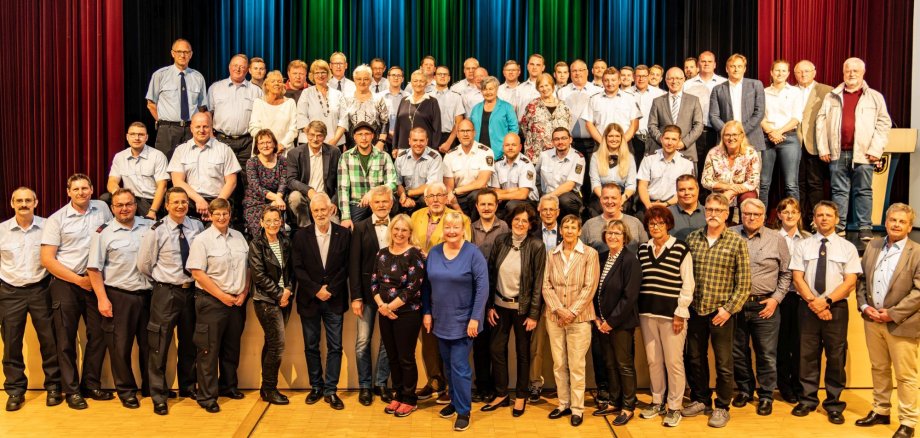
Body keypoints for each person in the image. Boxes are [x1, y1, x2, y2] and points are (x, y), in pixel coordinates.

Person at [40, 174, 114, 409]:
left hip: (96, 283)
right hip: (66, 283)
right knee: (65, 339)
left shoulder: (102, 208)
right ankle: (71, 390)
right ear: (68, 192)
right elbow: (47, 260)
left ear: (92, 189)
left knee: (98, 335)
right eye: (76, 189)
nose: (81, 192)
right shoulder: (56, 219)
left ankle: (90, 385)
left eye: (85, 188)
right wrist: (78, 281)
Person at [681, 193, 751, 428]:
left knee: (723, 361)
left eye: (718, 211)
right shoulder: (693, 239)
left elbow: (744, 283)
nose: (712, 214)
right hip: (696, 310)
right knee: (695, 358)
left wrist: (729, 310)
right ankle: (701, 399)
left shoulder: (737, 242)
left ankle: (722, 406)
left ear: (727, 214)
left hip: (722, 313)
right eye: (709, 210)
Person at [789, 200, 861, 424]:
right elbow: (797, 278)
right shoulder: (804, 245)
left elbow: (850, 281)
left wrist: (826, 301)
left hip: (836, 308)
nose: (824, 219)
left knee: (836, 357)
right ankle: (808, 400)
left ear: (836, 219)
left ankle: (834, 404)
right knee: (806, 355)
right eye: (819, 215)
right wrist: (814, 302)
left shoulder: (847, 247)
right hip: (808, 306)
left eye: (828, 215)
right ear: (814, 218)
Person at [137, 187, 204, 415]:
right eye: (175, 202)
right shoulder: (156, 230)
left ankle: (187, 387)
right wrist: (163, 283)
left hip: (191, 291)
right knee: (159, 344)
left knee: (189, 342)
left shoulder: (196, 226)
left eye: (184, 202)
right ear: (166, 205)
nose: (180, 206)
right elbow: (145, 265)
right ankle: (159, 394)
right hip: (166, 292)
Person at [856, 203, 920, 438]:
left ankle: (908, 421)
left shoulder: (918, 251)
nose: (896, 224)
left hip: (902, 323)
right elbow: (861, 280)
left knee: (906, 375)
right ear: (886, 221)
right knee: (879, 368)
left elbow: (919, 291)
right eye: (892, 220)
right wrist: (864, 306)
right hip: (872, 320)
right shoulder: (872, 245)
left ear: (909, 226)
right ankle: (881, 410)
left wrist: (892, 313)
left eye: (902, 221)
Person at [87, 189, 153, 410]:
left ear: (135, 205)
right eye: (119, 205)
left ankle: (151, 387)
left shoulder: (149, 226)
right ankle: (126, 391)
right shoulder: (103, 232)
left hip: (149, 295)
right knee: (120, 347)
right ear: (112, 208)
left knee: (149, 345)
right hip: (119, 296)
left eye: (128, 204)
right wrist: (102, 299)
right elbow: (94, 269)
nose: (124, 208)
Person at [423, 211, 489, 432]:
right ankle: (454, 401)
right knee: (448, 366)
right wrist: (427, 312)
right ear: (443, 229)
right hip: (441, 319)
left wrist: (475, 318)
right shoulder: (433, 253)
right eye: (447, 227)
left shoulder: (473, 254)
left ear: (463, 230)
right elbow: (427, 286)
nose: (451, 231)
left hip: (464, 321)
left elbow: (482, 289)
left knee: (460, 367)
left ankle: (464, 411)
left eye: (456, 227)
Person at [816, 57, 892, 240]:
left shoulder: (874, 96)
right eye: (848, 71)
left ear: (863, 73)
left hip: (865, 153)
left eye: (855, 71)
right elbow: (821, 122)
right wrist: (823, 148)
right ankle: (839, 225)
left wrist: (876, 149)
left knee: (863, 190)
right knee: (838, 191)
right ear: (843, 73)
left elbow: (884, 123)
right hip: (838, 151)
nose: (851, 74)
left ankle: (865, 226)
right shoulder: (832, 96)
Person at [186, 198, 250, 413]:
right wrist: (222, 296)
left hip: (237, 301)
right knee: (208, 351)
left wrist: (244, 292)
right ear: (210, 216)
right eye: (217, 214)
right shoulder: (202, 240)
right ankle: (206, 396)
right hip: (212, 302)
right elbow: (197, 273)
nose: (222, 218)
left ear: (230, 214)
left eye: (225, 214)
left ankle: (228, 386)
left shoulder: (239, 237)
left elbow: (248, 268)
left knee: (231, 348)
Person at [0, 187, 61, 411]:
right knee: (11, 344)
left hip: (41, 289)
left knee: (49, 340)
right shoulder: (1, 230)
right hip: (9, 292)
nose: (23, 204)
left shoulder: (48, 227)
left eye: (28, 200)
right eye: (19, 200)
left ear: (36, 202)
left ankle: (54, 386)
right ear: (12, 203)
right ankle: (15, 390)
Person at [729, 198, 791, 416]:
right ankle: (745, 390)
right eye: (747, 214)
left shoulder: (777, 239)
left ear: (764, 217)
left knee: (766, 353)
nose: (751, 218)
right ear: (741, 214)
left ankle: (765, 395)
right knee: (738, 352)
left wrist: (776, 299)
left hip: (765, 305)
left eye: (756, 214)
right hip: (736, 305)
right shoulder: (730, 234)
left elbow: (786, 273)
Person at [483, 203, 545, 416]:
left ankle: (521, 396)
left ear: (530, 225)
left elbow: (538, 283)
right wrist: (489, 305)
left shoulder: (536, 246)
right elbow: (491, 274)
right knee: (496, 349)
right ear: (511, 222)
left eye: (524, 221)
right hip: (499, 307)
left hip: (523, 310)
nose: (520, 224)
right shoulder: (501, 241)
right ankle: (501, 394)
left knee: (523, 353)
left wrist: (534, 314)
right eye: (517, 220)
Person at [292, 193, 351, 410]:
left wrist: (331, 289)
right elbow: (297, 268)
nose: (319, 214)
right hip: (310, 299)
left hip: (334, 299)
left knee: (335, 347)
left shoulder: (344, 234)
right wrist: (316, 289)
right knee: (311, 346)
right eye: (315, 211)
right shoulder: (300, 236)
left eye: (323, 210)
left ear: (330, 210)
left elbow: (346, 266)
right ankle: (316, 387)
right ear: (311, 212)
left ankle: (331, 390)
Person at [636, 206, 694, 428]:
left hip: (673, 317)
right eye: (652, 224)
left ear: (668, 225)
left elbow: (688, 284)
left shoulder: (680, 249)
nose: (656, 227)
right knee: (653, 361)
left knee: (673, 362)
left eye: (660, 223)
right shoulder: (643, 249)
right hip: (647, 314)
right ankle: (657, 401)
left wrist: (680, 313)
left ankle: (675, 407)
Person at [542, 214, 600, 427]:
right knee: (559, 364)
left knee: (576, 365)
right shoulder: (552, 254)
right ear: (561, 230)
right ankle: (563, 403)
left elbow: (589, 286)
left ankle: (577, 408)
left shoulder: (589, 254)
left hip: (580, 318)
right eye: (565, 227)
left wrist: (571, 312)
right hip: (555, 318)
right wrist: (559, 309)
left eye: (572, 227)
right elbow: (546, 285)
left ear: (579, 231)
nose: (568, 231)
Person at [373, 214, 426, 417]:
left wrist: (390, 307)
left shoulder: (414, 254)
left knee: (405, 357)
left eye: (404, 230)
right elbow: (374, 282)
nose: (399, 233)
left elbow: (413, 287)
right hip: (385, 312)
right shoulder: (382, 253)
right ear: (391, 230)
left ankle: (409, 399)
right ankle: (397, 394)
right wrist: (382, 306)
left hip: (407, 314)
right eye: (396, 229)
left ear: (410, 233)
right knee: (392, 357)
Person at [349, 186, 396, 406]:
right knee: (362, 342)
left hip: (392, 296)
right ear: (371, 204)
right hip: (367, 296)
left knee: (387, 342)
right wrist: (356, 297)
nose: (381, 205)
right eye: (377, 202)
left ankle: (381, 383)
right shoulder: (359, 228)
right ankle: (365, 386)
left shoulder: (399, 225)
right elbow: (354, 264)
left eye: (385, 201)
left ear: (391, 203)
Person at [592, 219, 642, 426]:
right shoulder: (602, 258)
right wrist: (597, 318)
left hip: (620, 324)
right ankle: (614, 400)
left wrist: (611, 322)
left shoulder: (630, 260)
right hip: (601, 323)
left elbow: (629, 297)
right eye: (609, 233)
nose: (612, 236)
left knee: (624, 365)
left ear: (625, 237)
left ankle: (628, 406)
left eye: (617, 234)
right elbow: (595, 290)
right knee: (609, 364)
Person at [248, 206, 292, 405]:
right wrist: (279, 294)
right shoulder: (257, 244)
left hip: (286, 299)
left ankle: (265, 389)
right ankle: (270, 388)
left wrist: (288, 290)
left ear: (281, 222)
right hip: (266, 301)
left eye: (276, 220)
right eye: (269, 220)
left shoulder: (285, 241)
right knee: (277, 345)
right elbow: (258, 276)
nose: (273, 224)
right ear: (261, 223)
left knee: (272, 343)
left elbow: (291, 271)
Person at [470, 188, 509, 402]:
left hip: (497, 290)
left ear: (496, 206)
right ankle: (482, 386)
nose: (486, 208)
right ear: (477, 206)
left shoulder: (504, 227)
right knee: (479, 344)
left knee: (497, 346)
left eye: (490, 204)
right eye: (482, 204)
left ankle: (498, 388)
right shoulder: (470, 227)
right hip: (475, 292)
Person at [168, 112, 242, 223]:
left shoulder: (224, 149)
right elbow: (177, 181)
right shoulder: (181, 150)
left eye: (205, 126)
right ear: (191, 128)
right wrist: (199, 200)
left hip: (218, 201)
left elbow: (231, 182)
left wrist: (215, 206)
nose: (201, 130)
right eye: (198, 127)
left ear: (211, 128)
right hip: (191, 202)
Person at [146, 38, 208, 158]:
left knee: (192, 164)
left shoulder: (198, 77)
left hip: (191, 129)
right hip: (167, 130)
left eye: (186, 52)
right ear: (172, 53)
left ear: (191, 54)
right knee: (165, 165)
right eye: (179, 51)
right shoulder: (160, 75)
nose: (182, 55)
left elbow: (201, 107)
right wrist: (162, 121)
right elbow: (151, 104)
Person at [774, 197, 809, 404]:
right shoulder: (771, 237)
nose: (789, 215)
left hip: (800, 296)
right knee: (780, 344)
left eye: (793, 212)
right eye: (785, 212)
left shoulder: (807, 238)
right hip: (779, 297)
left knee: (798, 344)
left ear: (799, 215)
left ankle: (798, 384)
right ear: (779, 215)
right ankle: (783, 386)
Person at [709, 54, 766, 174]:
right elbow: (714, 116)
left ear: (744, 69)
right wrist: (729, 134)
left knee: (752, 179)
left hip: (752, 139)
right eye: (732, 66)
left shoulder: (756, 85)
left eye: (739, 66)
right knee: (726, 178)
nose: (736, 69)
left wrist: (740, 132)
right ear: (726, 69)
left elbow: (759, 112)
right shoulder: (718, 89)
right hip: (726, 142)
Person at [209, 54, 263, 177]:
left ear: (247, 69)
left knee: (247, 177)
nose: (238, 69)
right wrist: (211, 136)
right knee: (221, 176)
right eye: (235, 66)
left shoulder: (256, 91)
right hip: (221, 140)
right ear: (229, 67)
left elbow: (261, 117)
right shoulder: (215, 88)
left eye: (242, 66)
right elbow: (208, 114)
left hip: (247, 142)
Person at [795, 60, 834, 226]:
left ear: (814, 72)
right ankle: (800, 220)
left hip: (816, 145)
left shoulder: (827, 91)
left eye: (807, 71)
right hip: (795, 143)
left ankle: (815, 220)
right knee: (797, 184)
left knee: (815, 183)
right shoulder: (790, 91)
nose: (803, 74)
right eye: (799, 72)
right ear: (794, 74)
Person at [337, 122, 398, 228]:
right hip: (357, 204)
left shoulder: (384, 156)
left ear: (373, 136)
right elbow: (343, 188)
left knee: (387, 228)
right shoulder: (345, 157)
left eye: (367, 134)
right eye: (360, 134)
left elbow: (393, 183)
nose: (364, 138)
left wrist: (373, 193)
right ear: (354, 137)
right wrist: (345, 217)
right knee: (351, 231)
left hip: (380, 202)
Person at [558, 59, 602, 200]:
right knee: (573, 176)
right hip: (570, 142)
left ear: (587, 72)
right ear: (570, 74)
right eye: (574, 71)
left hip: (593, 141)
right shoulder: (562, 92)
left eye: (581, 70)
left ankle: (590, 207)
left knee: (591, 175)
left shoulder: (597, 91)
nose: (577, 73)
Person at [761, 59, 803, 205]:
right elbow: (759, 116)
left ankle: (795, 222)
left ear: (788, 73)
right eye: (777, 70)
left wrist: (779, 132)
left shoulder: (795, 92)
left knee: (791, 184)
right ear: (771, 73)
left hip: (789, 138)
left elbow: (797, 118)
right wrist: (771, 132)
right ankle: (760, 221)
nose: (780, 73)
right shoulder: (763, 92)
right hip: (767, 138)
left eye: (783, 70)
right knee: (763, 183)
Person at [105, 122, 168, 219]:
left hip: (150, 200)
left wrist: (153, 211)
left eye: (141, 135)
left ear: (146, 137)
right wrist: (119, 195)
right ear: (127, 137)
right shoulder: (120, 156)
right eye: (132, 134)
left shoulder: (157, 156)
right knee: (105, 198)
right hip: (129, 198)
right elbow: (112, 182)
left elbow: (162, 186)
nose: (136, 138)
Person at [285, 120, 341, 228]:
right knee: (294, 197)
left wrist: (334, 202)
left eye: (319, 136)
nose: (315, 139)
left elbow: (341, 181)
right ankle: (306, 230)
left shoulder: (334, 152)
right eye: (312, 135)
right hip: (304, 195)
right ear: (306, 135)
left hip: (326, 198)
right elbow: (291, 180)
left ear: (324, 137)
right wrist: (309, 190)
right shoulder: (294, 153)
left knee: (334, 228)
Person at [647, 67, 704, 169]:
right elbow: (652, 125)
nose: (674, 81)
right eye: (671, 78)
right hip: (662, 153)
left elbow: (699, 125)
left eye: (678, 78)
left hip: (687, 152)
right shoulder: (657, 101)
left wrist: (684, 143)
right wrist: (664, 141)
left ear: (684, 80)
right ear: (666, 80)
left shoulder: (693, 100)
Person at [701, 121, 762, 209]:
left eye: (735, 134)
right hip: (720, 193)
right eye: (727, 135)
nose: (731, 138)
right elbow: (705, 181)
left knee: (748, 197)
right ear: (722, 137)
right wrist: (727, 187)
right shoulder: (713, 153)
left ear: (741, 136)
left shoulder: (751, 153)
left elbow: (753, 182)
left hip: (743, 193)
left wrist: (731, 192)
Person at [583, 68, 641, 159]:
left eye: (613, 80)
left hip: (625, 145)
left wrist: (622, 142)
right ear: (602, 81)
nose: (610, 83)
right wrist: (603, 142)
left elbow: (635, 125)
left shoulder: (630, 99)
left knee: (626, 173)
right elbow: (589, 124)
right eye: (606, 80)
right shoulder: (594, 99)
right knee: (598, 172)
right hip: (600, 145)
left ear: (619, 81)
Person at [637, 125, 695, 213]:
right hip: (648, 204)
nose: (669, 143)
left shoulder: (687, 163)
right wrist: (649, 206)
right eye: (667, 138)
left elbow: (684, 191)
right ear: (661, 139)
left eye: (674, 139)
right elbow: (642, 186)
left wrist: (666, 204)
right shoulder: (649, 158)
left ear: (679, 141)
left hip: (673, 206)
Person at [443, 120, 494, 220]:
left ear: (474, 133)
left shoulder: (486, 152)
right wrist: (456, 206)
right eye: (462, 131)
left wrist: (456, 191)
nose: (465, 134)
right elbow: (449, 187)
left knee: (476, 195)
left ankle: (475, 227)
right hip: (458, 198)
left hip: (478, 195)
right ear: (457, 134)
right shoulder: (449, 156)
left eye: (468, 131)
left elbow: (481, 183)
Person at [331, 64, 390, 151]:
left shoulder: (378, 98)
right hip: (352, 146)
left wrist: (381, 142)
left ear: (370, 81)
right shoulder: (346, 99)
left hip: (376, 146)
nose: (362, 82)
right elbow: (343, 123)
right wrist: (344, 143)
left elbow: (385, 122)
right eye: (359, 79)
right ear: (354, 80)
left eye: (366, 79)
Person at [683, 51, 727, 167]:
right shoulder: (687, 84)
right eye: (703, 61)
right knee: (695, 167)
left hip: (718, 131)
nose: (706, 64)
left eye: (709, 61)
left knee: (716, 167)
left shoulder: (724, 83)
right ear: (698, 64)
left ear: (715, 64)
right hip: (694, 132)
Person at [519, 73, 573, 163]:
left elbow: (568, 126)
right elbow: (524, 127)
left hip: (559, 155)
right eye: (541, 86)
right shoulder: (532, 106)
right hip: (536, 156)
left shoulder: (564, 106)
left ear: (552, 86)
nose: (544, 89)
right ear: (537, 88)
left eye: (547, 85)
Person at [243, 130, 287, 237]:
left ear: (274, 144)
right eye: (261, 143)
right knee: (260, 232)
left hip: (277, 202)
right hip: (255, 203)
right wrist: (276, 198)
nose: (265, 146)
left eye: (268, 142)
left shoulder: (283, 161)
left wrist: (278, 199)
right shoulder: (251, 162)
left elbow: (283, 183)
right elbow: (256, 186)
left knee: (276, 229)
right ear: (257, 146)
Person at [582, 183, 647, 254]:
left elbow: (645, 251)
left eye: (614, 198)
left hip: (631, 264)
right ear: (600, 200)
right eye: (606, 198)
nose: (609, 201)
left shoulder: (635, 223)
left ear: (620, 200)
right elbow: (580, 254)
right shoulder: (589, 225)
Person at [536, 127, 586, 220]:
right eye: (557, 139)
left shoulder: (578, 158)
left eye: (564, 138)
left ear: (570, 139)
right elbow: (536, 176)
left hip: (569, 195)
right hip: (546, 194)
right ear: (552, 142)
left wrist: (548, 198)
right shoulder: (544, 155)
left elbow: (570, 185)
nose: (560, 142)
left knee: (564, 200)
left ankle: (573, 222)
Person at [589, 124, 636, 215]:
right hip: (601, 194)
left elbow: (631, 185)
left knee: (622, 210)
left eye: (617, 136)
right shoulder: (596, 156)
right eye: (610, 136)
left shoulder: (629, 157)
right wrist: (605, 200)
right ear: (605, 138)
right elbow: (595, 182)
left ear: (622, 138)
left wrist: (620, 201)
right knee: (597, 210)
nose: (614, 139)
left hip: (622, 195)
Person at [296, 60, 345, 148]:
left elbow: (343, 120)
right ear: (312, 75)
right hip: (310, 142)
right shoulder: (306, 93)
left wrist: (334, 140)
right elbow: (301, 117)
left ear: (328, 74)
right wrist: (315, 139)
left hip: (335, 143)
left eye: (323, 72)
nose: (320, 75)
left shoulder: (338, 94)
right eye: (317, 73)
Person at [248, 70, 298, 154]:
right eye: (273, 81)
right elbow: (254, 127)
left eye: (279, 81)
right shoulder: (258, 102)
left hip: (284, 150)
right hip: (263, 150)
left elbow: (293, 129)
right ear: (266, 85)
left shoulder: (290, 103)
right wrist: (266, 144)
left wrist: (282, 145)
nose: (277, 83)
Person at [469, 76, 519, 159]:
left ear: (496, 89)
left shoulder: (507, 107)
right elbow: (471, 129)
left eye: (491, 89)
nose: (488, 92)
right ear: (481, 91)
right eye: (485, 89)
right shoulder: (476, 108)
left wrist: (506, 149)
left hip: (500, 153)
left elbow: (514, 130)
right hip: (477, 154)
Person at [395, 127, 443, 214]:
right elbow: (397, 182)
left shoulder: (435, 157)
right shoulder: (401, 157)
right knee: (393, 200)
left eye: (421, 140)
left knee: (426, 200)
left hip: (425, 196)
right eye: (415, 140)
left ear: (426, 141)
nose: (418, 143)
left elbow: (432, 186)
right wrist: (403, 195)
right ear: (409, 141)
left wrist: (407, 193)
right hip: (405, 195)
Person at [393, 70, 442, 153]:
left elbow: (437, 128)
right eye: (415, 81)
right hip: (403, 148)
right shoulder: (404, 100)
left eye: (421, 81)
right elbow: (397, 125)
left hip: (425, 149)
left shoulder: (432, 101)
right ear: (411, 83)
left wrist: (434, 149)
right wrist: (394, 147)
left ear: (426, 83)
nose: (418, 84)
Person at [491, 132, 539, 217]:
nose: (510, 148)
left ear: (520, 147)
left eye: (513, 145)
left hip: (528, 202)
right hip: (505, 200)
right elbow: (495, 191)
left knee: (511, 205)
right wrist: (513, 190)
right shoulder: (497, 164)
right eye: (507, 145)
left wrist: (501, 194)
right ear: (503, 147)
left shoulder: (526, 164)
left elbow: (523, 194)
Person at [629, 65, 667, 160]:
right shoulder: (626, 93)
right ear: (633, 77)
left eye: (644, 76)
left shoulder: (660, 94)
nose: (641, 79)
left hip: (653, 139)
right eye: (638, 76)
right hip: (632, 139)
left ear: (648, 76)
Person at [431, 66, 466, 153]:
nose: (442, 76)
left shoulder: (456, 97)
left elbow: (458, 122)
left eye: (445, 74)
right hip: (430, 137)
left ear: (449, 78)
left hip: (449, 138)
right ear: (434, 77)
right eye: (439, 74)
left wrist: (448, 143)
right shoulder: (427, 96)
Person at [669, 175, 706, 241]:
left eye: (690, 189)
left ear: (698, 189)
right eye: (682, 190)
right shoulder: (666, 214)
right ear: (677, 192)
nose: (687, 193)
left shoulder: (709, 213)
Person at [382, 66, 410, 150]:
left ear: (402, 79)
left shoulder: (409, 97)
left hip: (404, 137)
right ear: (388, 78)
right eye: (393, 75)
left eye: (399, 76)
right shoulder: (380, 96)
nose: (396, 78)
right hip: (384, 138)